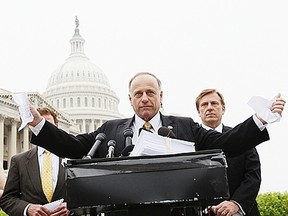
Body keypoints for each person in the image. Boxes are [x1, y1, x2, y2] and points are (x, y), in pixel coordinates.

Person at [27, 72, 285, 215]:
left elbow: (226, 144)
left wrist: (258, 120)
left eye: (151, 92)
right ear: (130, 100)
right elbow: (73, 147)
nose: (145, 98)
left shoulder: (186, 127)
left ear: (161, 96)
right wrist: (40, 125)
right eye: (138, 94)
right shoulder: (111, 130)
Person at [195, 88, 261, 216]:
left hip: (241, 211)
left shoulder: (242, 137)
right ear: (199, 111)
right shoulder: (190, 142)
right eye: (204, 104)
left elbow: (253, 174)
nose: (209, 108)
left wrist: (235, 203)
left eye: (214, 103)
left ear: (223, 109)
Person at [0, 107, 70, 216]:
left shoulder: (72, 158)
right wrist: (27, 209)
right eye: (38, 124)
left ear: (56, 127)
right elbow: (7, 199)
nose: (43, 128)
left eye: (47, 124)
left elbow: (86, 194)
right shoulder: (19, 161)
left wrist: (72, 206)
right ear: (32, 128)